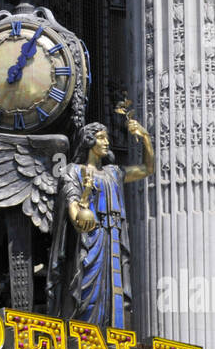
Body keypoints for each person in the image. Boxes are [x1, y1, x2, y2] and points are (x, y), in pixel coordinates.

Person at [50, 119, 154, 329]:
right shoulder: (73, 172)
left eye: (106, 137)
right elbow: (74, 213)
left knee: (114, 292)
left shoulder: (113, 173)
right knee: (87, 292)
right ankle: (85, 343)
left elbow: (147, 168)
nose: (107, 142)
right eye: (101, 138)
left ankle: (112, 341)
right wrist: (85, 195)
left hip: (114, 241)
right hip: (88, 244)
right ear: (89, 141)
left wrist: (145, 137)